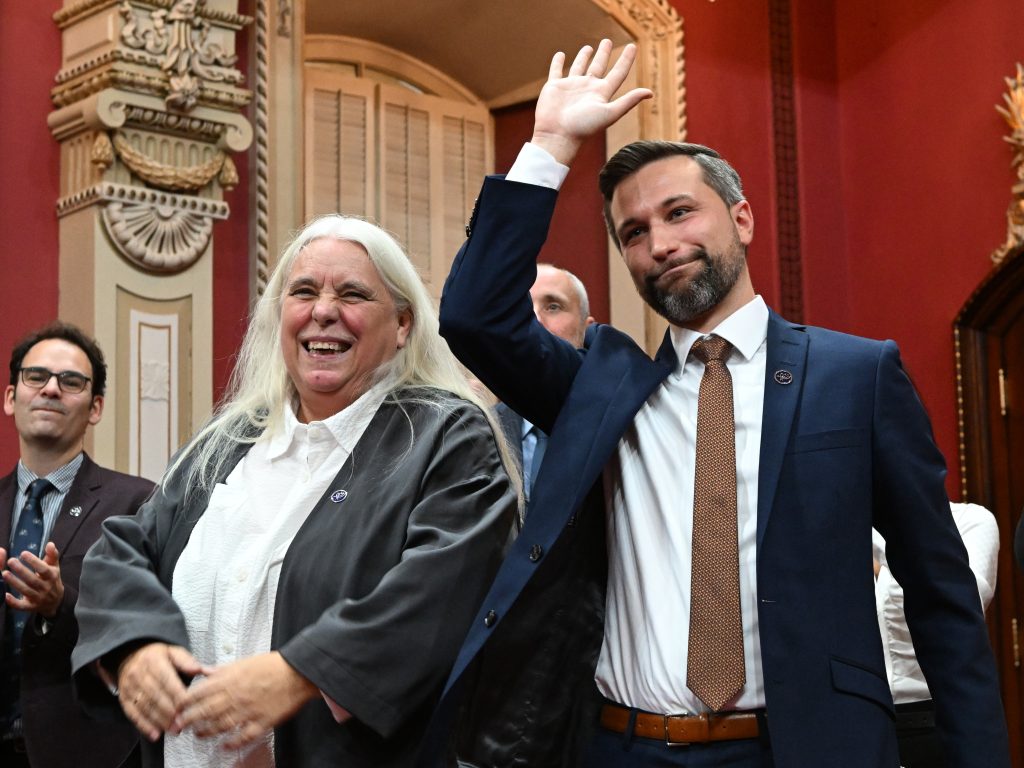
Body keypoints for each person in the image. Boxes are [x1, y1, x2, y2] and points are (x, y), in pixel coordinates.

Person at [428, 40, 1010, 767]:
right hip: (621, 747)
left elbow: (940, 593)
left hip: (803, 749)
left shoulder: (856, 376)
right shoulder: (599, 387)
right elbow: (473, 316)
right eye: (634, 233)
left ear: (741, 219)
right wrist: (547, 148)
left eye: (680, 213)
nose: (661, 244)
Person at [70, 216, 519, 768]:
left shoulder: (445, 436)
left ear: (403, 324)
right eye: (303, 291)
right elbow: (122, 550)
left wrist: (303, 671)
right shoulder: (228, 440)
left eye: (352, 293)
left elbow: (442, 590)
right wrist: (133, 645)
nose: (323, 311)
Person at [1, 321, 154, 768]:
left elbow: (145, 625)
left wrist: (59, 604)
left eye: (70, 382)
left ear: (95, 407)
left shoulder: (138, 503)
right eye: (36, 377)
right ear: (12, 397)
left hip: (85, 750)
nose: (51, 389)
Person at [873, 502, 999, 767]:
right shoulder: (848, 530)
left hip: (936, 722)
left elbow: (960, 603)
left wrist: (876, 571)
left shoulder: (971, 520)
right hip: (859, 726)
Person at [496, 264, 594, 505]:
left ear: (587, 328)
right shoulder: (484, 427)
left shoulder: (617, 422)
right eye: (523, 308)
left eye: (553, 306)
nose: (535, 320)